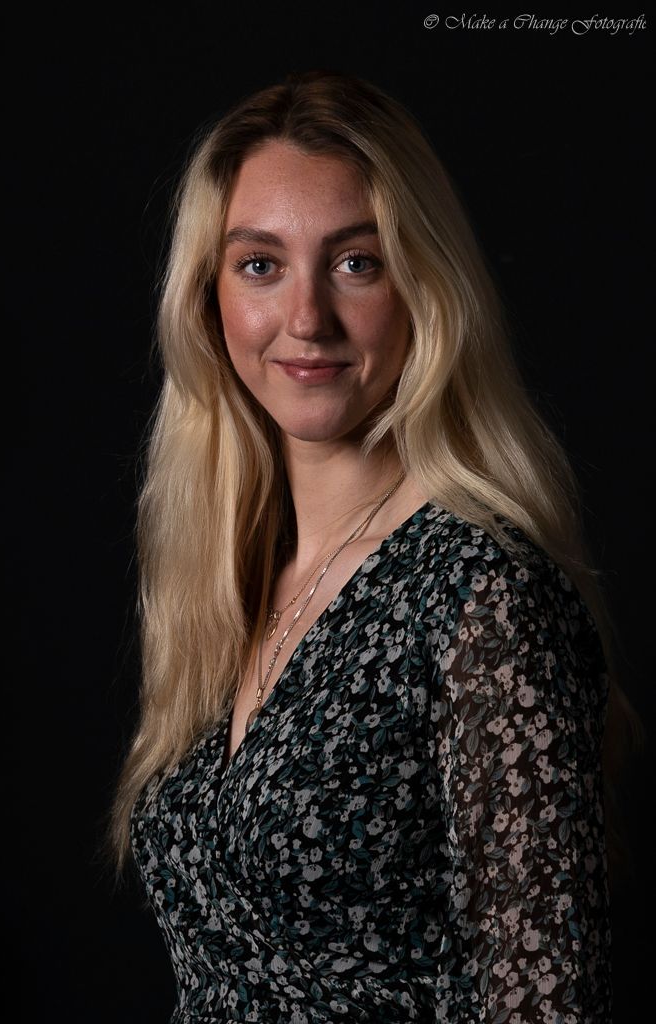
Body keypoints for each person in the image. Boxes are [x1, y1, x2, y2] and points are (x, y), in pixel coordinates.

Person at [111, 70, 640, 1022]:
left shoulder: (485, 597)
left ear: (422, 284)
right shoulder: (224, 585)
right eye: (260, 265)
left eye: (356, 262)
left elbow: (547, 1006)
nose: (306, 319)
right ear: (208, 298)